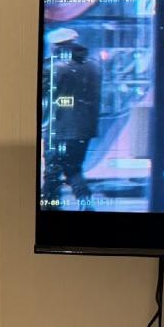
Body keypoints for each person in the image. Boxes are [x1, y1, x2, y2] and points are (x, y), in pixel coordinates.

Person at [47, 38, 102, 208]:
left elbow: (49, 97)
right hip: (85, 129)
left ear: (59, 46)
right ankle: (85, 202)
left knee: (53, 171)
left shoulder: (57, 68)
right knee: (74, 167)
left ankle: (49, 205)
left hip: (60, 128)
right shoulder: (94, 66)